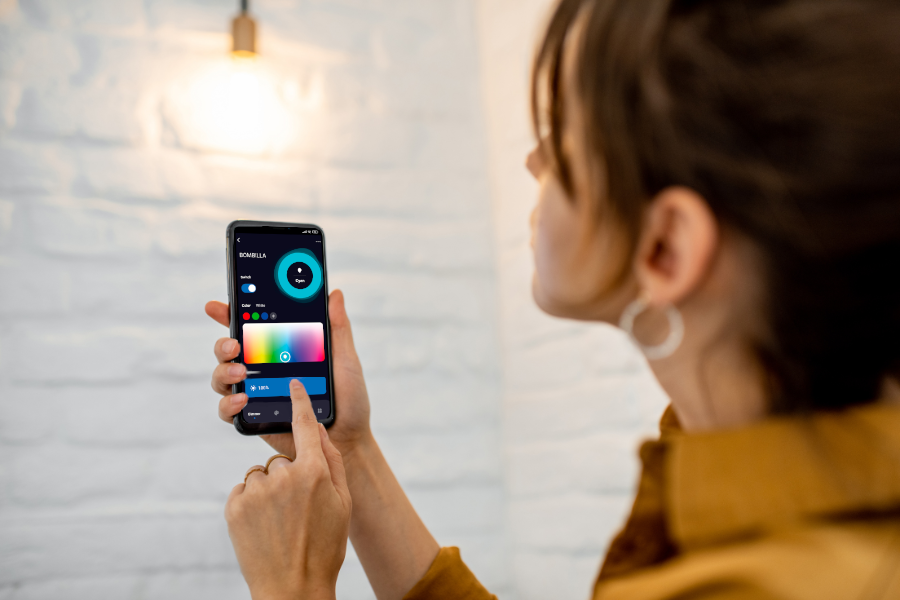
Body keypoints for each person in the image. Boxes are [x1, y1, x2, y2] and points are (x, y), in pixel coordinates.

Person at [204, 0, 900, 597]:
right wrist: (348, 451)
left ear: (667, 247)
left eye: (563, 135)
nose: (534, 160)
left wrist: (293, 586)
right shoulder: (718, 443)